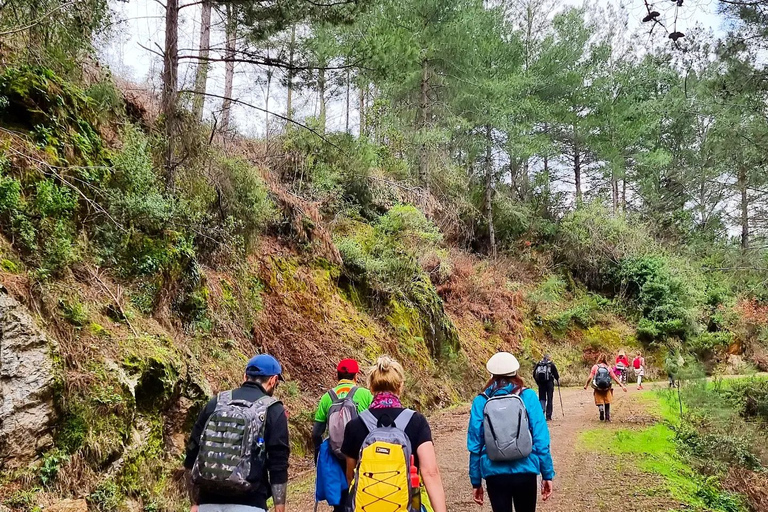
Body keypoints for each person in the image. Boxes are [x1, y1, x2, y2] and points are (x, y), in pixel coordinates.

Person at [184, 354, 289, 512]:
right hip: (251, 503)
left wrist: (194, 503)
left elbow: (192, 452)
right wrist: (279, 507)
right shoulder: (273, 410)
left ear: (245, 376)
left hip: (208, 502)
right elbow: (278, 463)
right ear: (273, 380)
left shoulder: (216, 402)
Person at [341, 356, 448, 512]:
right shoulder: (416, 421)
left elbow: (351, 476)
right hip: (407, 505)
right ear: (400, 386)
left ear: (371, 388)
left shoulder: (355, 425)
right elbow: (430, 473)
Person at [468, 352, 555, 512]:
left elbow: (475, 444)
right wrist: (547, 474)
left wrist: (476, 481)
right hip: (526, 470)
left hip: (495, 474)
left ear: (492, 373)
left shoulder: (481, 401)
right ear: (516, 371)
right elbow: (541, 439)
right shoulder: (527, 396)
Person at [312, 358, 373, 512]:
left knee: (340, 499)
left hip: (336, 454)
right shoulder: (365, 394)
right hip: (361, 455)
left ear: (336, 375)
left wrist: (318, 455)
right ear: (356, 376)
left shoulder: (327, 397)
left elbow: (316, 433)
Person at [584, 353, 627, 422]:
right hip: (607, 388)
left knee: (599, 400)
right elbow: (615, 378)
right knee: (607, 402)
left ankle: (601, 408)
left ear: (599, 359)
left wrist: (586, 385)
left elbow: (590, 377)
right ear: (606, 359)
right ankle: (607, 417)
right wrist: (622, 386)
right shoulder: (608, 368)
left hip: (598, 388)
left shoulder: (595, 367)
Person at [533, 354, 560, 421]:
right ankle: (548, 416)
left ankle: (541, 414)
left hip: (541, 384)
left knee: (542, 398)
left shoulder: (539, 364)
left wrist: (538, 382)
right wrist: (557, 379)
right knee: (549, 399)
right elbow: (556, 375)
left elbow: (534, 374)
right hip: (549, 384)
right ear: (549, 358)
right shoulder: (551, 364)